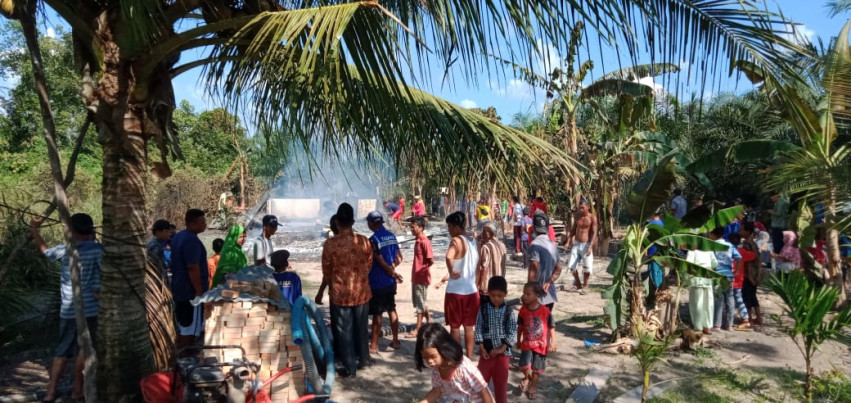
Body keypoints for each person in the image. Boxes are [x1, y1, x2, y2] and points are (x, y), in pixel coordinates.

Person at [31, 213, 101, 402]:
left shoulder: (65, 249)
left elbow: (45, 251)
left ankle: (50, 392)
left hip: (69, 310)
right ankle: (77, 390)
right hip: (91, 309)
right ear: (91, 230)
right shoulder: (97, 250)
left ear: (71, 230)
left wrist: (35, 229)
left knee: (62, 349)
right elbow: (101, 280)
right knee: (84, 349)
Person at [319, 203, 373, 377]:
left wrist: (328, 285)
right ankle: (364, 360)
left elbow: (326, 271)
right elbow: (369, 265)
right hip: (362, 292)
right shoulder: (364, 241)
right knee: (362, 328)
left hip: (340, 294)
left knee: (344, 332)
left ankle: (350, 367)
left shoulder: (330, 244)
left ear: (337, 223)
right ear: (353, 221)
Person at [415, 323, 493, 403]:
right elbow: (436, 390)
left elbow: (483, 390)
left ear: (443, 348)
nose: (429, 361)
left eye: (433, 356)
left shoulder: (464, 368)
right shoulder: (437, 370)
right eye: (425, 357)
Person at [442, 211, 480, 359]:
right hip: (471, 290)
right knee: (469, 327)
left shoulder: (456, 241)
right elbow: (478, 266)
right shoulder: (473, 241)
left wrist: (451, 271)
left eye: (449, 227)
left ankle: (457, 358)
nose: (449, 231)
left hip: (456, 292)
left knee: (455, 327)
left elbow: (448, 256)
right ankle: (469, 358)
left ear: (455, 226)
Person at [366, 211, 404, 352]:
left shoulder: (373, 239)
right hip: (390, 282)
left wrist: (389, 270)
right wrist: (393, 268)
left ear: (372, 223)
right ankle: (395, 341)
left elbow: (379, 260)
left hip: (378, 282)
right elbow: (400, 257)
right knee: (391, 309)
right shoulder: (392, 236)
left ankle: (374, 345)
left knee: (377, 313)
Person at [171, 209, 210, 347]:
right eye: (202, 222)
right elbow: (193, 267)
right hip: (190, 292)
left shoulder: (179, 236)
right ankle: (186, 357)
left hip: (180, 288)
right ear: (192, 224)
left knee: (183, 324)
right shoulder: (191, 241)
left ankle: (180, 356)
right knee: (190, 329)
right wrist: (199, 291)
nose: (205, 224)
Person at [474, 276, 516, 403]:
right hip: (486, 355)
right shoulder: (484, 309)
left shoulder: (508, 310)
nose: (496, 299)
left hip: (503, 356)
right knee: (480, 384)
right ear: (488, 293)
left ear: (505, 295)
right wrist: (481, 347)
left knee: (501, 387)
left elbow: (512, 331)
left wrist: (500, 349)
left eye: (499, 295)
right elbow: (479, 327)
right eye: (492, 295)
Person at [516, 282, 556, 401]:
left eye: (528, 294)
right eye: (524, 293)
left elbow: (551, 326)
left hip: (541, 344)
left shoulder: (545, 311)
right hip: (527, 343)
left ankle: (533, 386)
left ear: (537, 295)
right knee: (523, 366)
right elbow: (520, 327)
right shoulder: (523, 311)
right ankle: (527, 377)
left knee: (536, 368)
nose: (524, 296)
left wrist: (553, 341)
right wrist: (518, 340)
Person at [526, 212, 562, 311]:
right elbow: (558, 268)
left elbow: (533, 270)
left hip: (538, 297)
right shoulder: (552, 244)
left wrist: (528, 294)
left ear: (534, 228)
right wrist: (549, 282)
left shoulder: (535, 245)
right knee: (547, 323)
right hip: (550, 294)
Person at [405, 216, 434, 338]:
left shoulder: (424, 242)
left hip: (421, 277)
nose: (411, 229)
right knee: (421, 301)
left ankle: (418, 329)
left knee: (419, 306)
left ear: (421, 228)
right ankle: (429, 322)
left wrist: (423, 270)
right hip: (416, 276)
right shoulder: (417, 240)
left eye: (413, 227)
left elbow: (431, 260)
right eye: (411, 227)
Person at [709, 227, 741, 331]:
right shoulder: (730, 245)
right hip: (729, 275)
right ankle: (729, 325)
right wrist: (736, 271)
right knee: (730, 300)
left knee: (718, 299)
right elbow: (739, 257)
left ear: (714, 235)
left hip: (717, 275)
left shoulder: (712, 245)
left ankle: (717, 325)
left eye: (710, 234)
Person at [564, 200, 597, 294]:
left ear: (588, 207)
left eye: (582, 208)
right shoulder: (577, 216)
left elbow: (594, 233)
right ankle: (578, 284)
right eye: (579, 208)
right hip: (577, 244)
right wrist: (568, 241)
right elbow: (574, 229)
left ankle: (585, 286)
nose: (581, 210)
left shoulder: (592, 218)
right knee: (572, 266)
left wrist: (590, 246)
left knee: (587, 267)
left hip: (586, 244)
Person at [686, 245, 717, 334]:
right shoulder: (709, 249)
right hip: (707, 279)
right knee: (708, 304)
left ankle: (698, 327)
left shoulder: (692, 251)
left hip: (696, 279)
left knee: (697, 304)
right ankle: (707, 327)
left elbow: (688, 264)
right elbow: (715, 263)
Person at [728, 233, 755, 329]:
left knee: (728, 300)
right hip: (739, 280)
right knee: (739, 300)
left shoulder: (726, 250)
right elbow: (753, 255)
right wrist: (749, 243)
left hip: (728, 279)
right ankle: (745, 319)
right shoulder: (742, 252)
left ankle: (728, 321)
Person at [739, 222, 763, 325]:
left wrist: (749, 276)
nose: (740, 232)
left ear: (748, 232)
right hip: (755, 273)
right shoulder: (754, 243)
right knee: (753, 296)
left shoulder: (746, 244)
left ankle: (749, 318)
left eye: (742, 230)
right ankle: (758, 317)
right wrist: (757, 275)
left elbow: (747, 261)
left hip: (747, 274)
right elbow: (758, 261)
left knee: (746, 297)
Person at [476, 222, 506, 296]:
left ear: (489, 233)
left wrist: (478, 285)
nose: (483, 234)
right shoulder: (502, 245)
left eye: (484, 231)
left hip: (488, 287)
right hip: (500, 284)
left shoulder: (486, 247)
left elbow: (484, 268)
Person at [314, 214, 338, 305]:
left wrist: (320, 292)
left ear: (332, 227)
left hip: (337, 294)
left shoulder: (330, 245)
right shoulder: (362, 241)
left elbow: (327, 272)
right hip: (359, 295)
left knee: (338, 319)